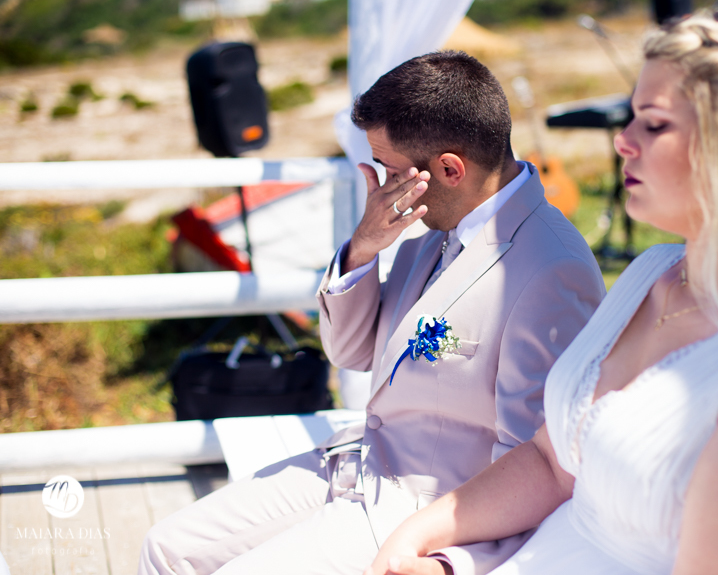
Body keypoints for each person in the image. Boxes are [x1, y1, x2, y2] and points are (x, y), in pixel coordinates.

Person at [367, 11, 718, 575]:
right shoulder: (653, 274)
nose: (623, 142)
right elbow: (553, 463)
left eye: (653, 123)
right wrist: (424, 541)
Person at [138, 51, 605, 575]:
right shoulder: (425, 232)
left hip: (425, 508)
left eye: (390, 169)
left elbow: (539, 463)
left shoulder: (550, 271)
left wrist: (451, 562)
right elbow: (350, 352)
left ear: (449, 169)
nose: (382, 187)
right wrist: (364, 247)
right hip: (354, 464)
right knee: (166, 548)